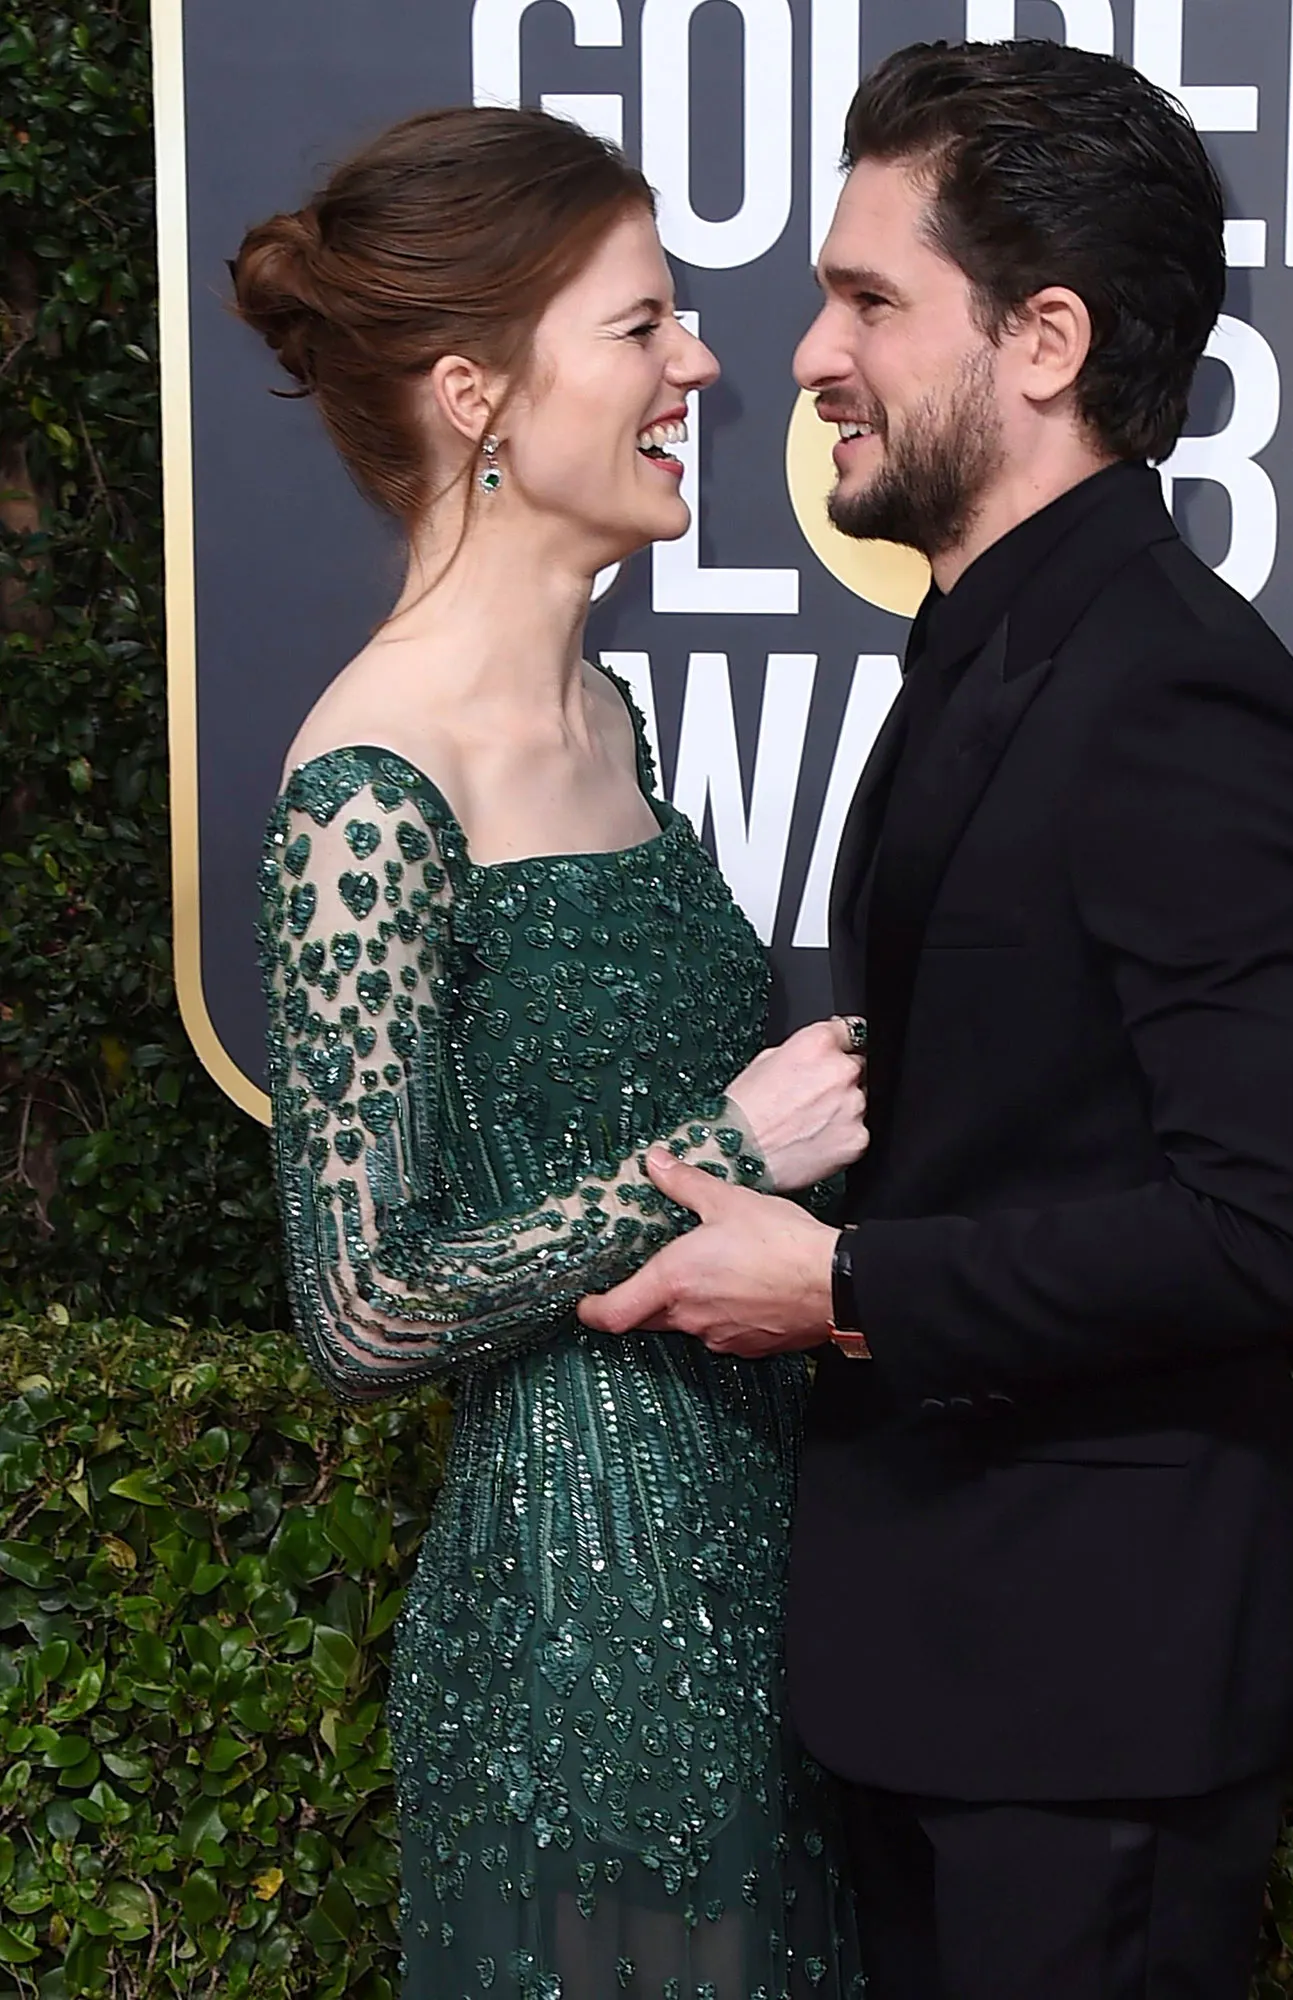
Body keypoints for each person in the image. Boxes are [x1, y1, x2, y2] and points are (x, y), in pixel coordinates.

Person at [580, 39, 1293, 2000]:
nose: (808, 357)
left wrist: (841, 1284)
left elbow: (1276, 1233)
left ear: (1043, 339)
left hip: (1091, 1706)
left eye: (869, 300)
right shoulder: (1002, 647)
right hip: (953, 1669)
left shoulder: (1177, 697)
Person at [235, 106, 867, 2000]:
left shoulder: (607, 715)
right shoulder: (372, 784)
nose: (702, 366)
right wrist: (723, 1156)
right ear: (477, 394)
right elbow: (362, 1306)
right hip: (589, 1630)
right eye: (641, 324)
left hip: (775, 1569)